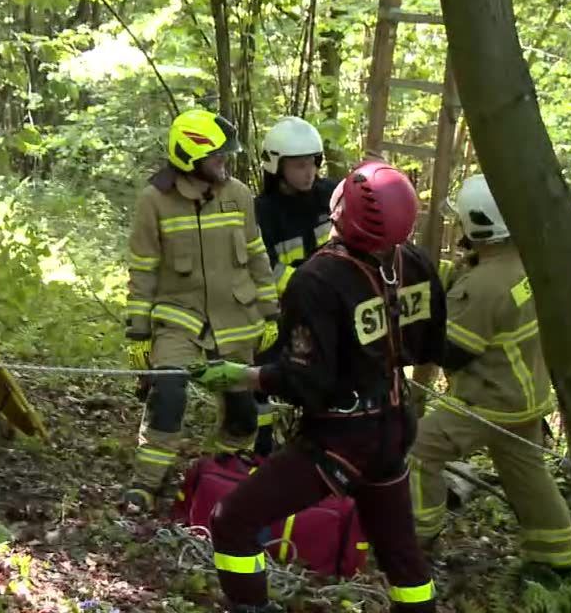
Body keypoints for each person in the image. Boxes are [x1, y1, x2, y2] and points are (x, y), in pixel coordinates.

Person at [196, 161, 444, 612]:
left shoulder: (318, 279)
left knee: (231, 519)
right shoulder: (416, 264)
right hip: (393, 428)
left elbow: (306, 382)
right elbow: (427, 347)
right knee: (403, 560)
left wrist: (244, 375)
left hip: (340, 440)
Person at [409, 174, 571, 581]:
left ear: (476, 223)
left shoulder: (483, 285)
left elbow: (454, 351)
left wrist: (410, 331)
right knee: (527, 473)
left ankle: (417, 537)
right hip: (525, 398)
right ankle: (556, 556)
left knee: (417, 448)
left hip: (487, 403)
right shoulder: (524, 264)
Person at [121, 108, 279, 512]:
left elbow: (258, 256)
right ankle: (146, 483)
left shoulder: (239, 195)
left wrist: (271, 312)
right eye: (217, 156)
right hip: (179, 317)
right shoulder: (154, 201)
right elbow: (143, 271)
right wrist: (139, 332)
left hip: (236, 318)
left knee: (243, 412)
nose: (224, 162)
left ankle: (221, 475)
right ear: (190, 158)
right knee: (169, 394)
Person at [251, 116, 337, 453]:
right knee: (264, 376)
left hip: (332, 310)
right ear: (276, 166)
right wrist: (306, 289)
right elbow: (263, 267)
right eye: (299, 165)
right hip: (280, 314)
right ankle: (260, 446)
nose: (308, 172)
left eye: (312, 163)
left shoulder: (332, 197)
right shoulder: (262, 213)